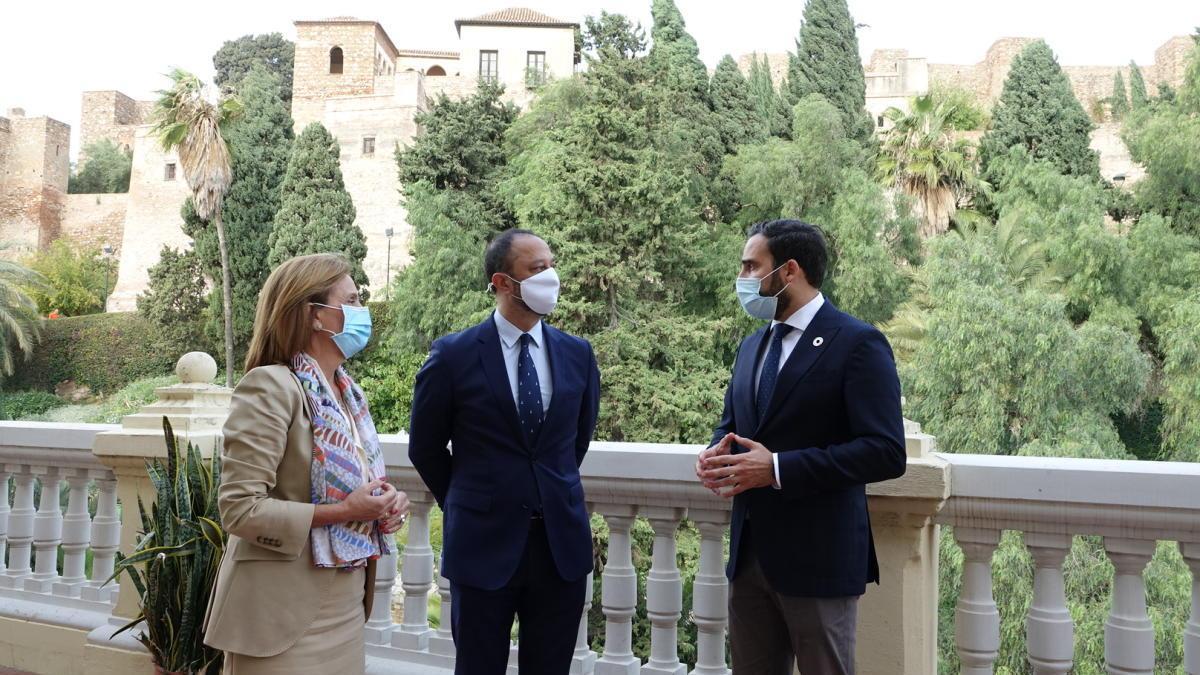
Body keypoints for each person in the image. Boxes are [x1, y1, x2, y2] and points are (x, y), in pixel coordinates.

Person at [696, 220, 907, 675]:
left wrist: (776, 468)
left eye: (752, 266)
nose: (743, 278)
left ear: (789, 270)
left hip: (819, 562)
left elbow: (886, 451)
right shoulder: (752, 346)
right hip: (749, 557)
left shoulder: (857, 343)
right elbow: (732, 426)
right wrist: (716, 454)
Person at [204, 253, 409, 674]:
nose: (361, 311)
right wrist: (346, 512)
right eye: (350, 300)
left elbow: (356, 489)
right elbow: (240, 509)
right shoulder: (270, 386)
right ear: (316, 316)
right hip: (279, 614)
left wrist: (384, 505)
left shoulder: (348, 395)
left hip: (347, 605)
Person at [409, 229, 601, 674]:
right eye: (537, 269)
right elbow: (426, 446)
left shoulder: (577, 354)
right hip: (482, 544)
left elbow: (576, 440)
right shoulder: (453, 355)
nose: (549, 277)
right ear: (501, 282)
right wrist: (468, 499)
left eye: (551, 266)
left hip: (559, 547)